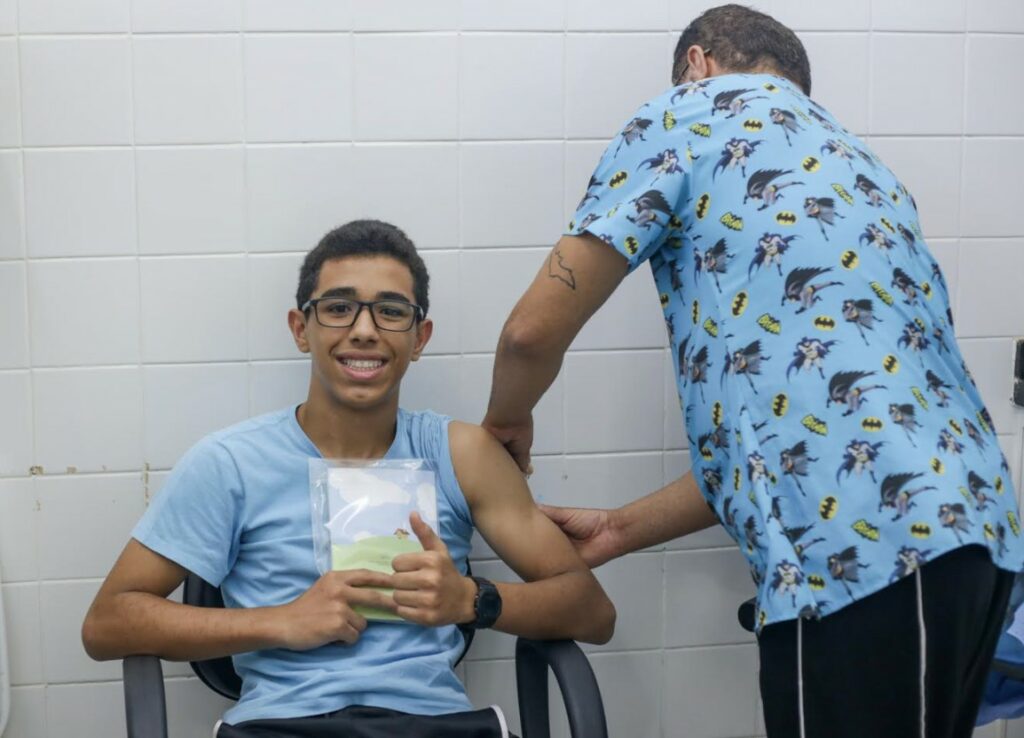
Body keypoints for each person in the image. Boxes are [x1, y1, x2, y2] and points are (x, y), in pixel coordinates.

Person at [481, 5, 1024, 736]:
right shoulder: (866, 171)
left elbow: (529, 333)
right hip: (975, 538)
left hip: (866, 550)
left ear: (697, 63)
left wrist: (505, 421)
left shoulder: (688, 111)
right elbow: (790, 436)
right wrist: (617, 528)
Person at [82, 219, 615, 738]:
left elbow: (592, 611)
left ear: (419, 337)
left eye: (391, 311)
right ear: (301, 329)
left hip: (434, 725)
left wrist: (473, 600)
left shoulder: (462, 454)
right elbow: (107, 624)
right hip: (280, 725)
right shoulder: (230, 463)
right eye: (338, 308)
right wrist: (281, 621)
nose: (364, 330)